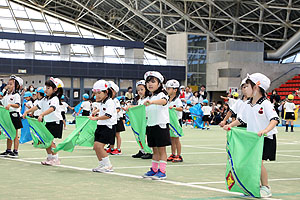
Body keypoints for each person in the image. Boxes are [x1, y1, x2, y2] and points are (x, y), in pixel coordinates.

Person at [223, 73, 279, 198]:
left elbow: (274, 119)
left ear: (256, 87)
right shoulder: (248, 104)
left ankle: (266, 187)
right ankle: (252, 186)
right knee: (251, 162)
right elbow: (242, 120)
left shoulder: (265, 103)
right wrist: (231, 125)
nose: (244, 89)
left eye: (247, 86)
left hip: (265, 138)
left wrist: (265, 130)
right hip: (253, 139)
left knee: (258, 163)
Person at [23, 77, 64, 165]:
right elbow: (36, 107)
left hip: (55, 122)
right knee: (46, 141)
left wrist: (42, 115)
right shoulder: (44, 99)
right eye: (46, 87)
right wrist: (27, 111)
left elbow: (52, 109)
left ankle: (56, 158)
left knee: (50, 141)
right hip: (48, 122)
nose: (46, 90)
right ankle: (50, 158)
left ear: (55, 89)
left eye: (48, 88)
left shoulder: (55, 99)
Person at [142, 71, 171, 180]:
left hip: (160, 125)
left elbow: (163, 101)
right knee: (154, 149)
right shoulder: (149, 97)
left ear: (159, 84)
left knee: (161, 149)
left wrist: (152, 102)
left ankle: (162, 171)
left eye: (153, 82)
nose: (150, 84)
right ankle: (154, 169)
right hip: (150, 125)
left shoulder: (162, 95)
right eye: (148, 82)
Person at [89, 80, 116, 173]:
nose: (97, 95)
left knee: (99, 146)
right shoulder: (102, 102)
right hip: (100, 126)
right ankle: (102, 164)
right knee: (96, 146)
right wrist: (95, 112)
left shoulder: (110, 102)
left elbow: (108, 115)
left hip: (108, 127)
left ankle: (108, 165)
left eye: (99, 93)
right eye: (95, 93)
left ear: (106, 92)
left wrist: (96, 118)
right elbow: (101, 109)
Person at [0, 75, 23, 158]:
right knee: (8, 133)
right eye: (8, 84)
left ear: (16, 86)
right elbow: (2, 103)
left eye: (11, 84)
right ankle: (8, 150)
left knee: (15, 134)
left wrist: (10, 105)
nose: (8, 86)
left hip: (14, 115)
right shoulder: (6, 95)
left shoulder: (16, 95)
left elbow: (17, 105)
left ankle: (15, 151)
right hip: (7, 115)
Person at [130, 80, 152, 159]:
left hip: (148, 120)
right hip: (141, 120)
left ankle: (150, 151)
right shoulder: (139, 100)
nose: (140, 91)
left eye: (142, 89)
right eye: (138, 90)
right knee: (141, 136)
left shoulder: (149, 99)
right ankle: (142, 149)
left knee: (148, 136)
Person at [166, 79, 184, 162]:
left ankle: (179, 155)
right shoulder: (167, 99)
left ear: (175, 90)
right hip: (169, 121)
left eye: (169, 88)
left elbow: (181, 108)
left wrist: (173, 108)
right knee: (171, 138)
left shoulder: (177, 100)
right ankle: (173, 154)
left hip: (176, 121)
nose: (167, 90)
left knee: (176, 139)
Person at [107, 81, 125, 155]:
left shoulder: (115, 100)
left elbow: (118, 109)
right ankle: (111, 148)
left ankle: (118, 149)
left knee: (117, 135)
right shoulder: (109, 101)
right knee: (111, 134)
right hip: (112, 120)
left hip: (117, 120)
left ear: (114, 92)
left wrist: (111, 113)